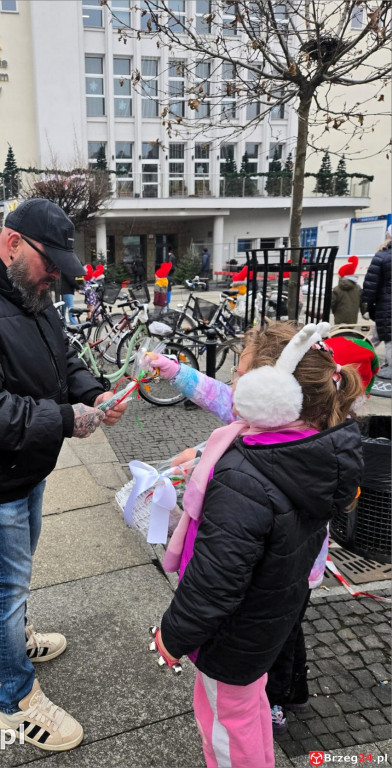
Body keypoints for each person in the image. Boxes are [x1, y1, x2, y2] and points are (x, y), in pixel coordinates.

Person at [0, 198, 127, 752]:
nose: (56, 276)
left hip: (25, 465)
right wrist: (67, 419)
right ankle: (15, 701)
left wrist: (93, 393)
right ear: (12, 242)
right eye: (50, 262)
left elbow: (63, 354)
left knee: (18, 575)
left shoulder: (29, 290)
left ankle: (18, 640)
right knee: (6, 589)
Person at [145, 321, 363, 768]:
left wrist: (173, 634)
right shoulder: (309, 450)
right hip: (270, 616)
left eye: (240, 374)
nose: (233, 383)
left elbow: (214, 578)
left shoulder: (244, 475)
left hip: (234, 634)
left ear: (272, 393)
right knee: (249, 709)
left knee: (225, 724)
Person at [361, 239, 391, 379]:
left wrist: (366, 303)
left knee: (389, 337)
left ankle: (390, 368)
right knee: (381, 333)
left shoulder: (382, 256)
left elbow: (371, 284)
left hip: (387, 304)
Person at [331, 256, 361, 325]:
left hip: (339, 318)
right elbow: (362, 302)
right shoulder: (358, 288)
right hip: (352, 319)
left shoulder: (337, 289)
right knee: (349, 334)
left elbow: (333, 303)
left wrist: (334, 311)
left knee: (339, 334)